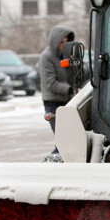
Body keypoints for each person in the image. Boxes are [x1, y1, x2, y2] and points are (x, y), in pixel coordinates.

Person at [39, 25, 75, 153]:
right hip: (53, 103)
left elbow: (79, 72)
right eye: (61, 42)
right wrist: (71, 90)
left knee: (71, 138)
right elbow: (50, 83)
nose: (63, 45)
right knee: (64, 140)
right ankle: (54, 161)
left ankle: (59, 160)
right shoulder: (47, 57)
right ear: (55, 42)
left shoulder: (67, 55)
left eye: (66, 42)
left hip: (68, 101)